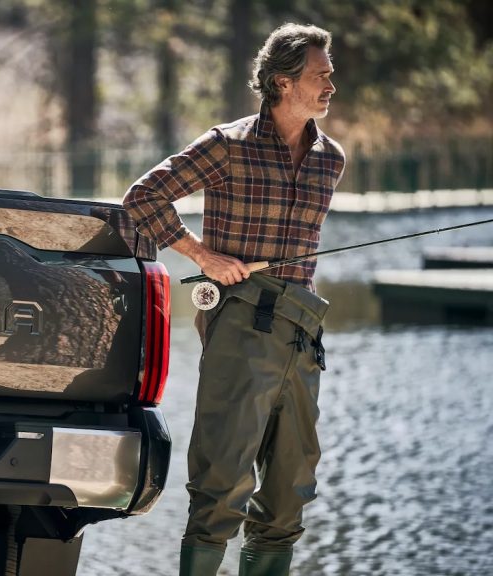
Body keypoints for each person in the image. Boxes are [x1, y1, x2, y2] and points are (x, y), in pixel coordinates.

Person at [123, 23, 345, 576]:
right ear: (281, 82)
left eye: (330, 76)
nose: (330, 86)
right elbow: (142, 199)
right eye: (320, 76)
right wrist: (202, 256)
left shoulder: (330, 158)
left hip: (303, 330)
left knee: (293, 486)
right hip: (240, 320)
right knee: (223, 481)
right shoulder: (228, 145)